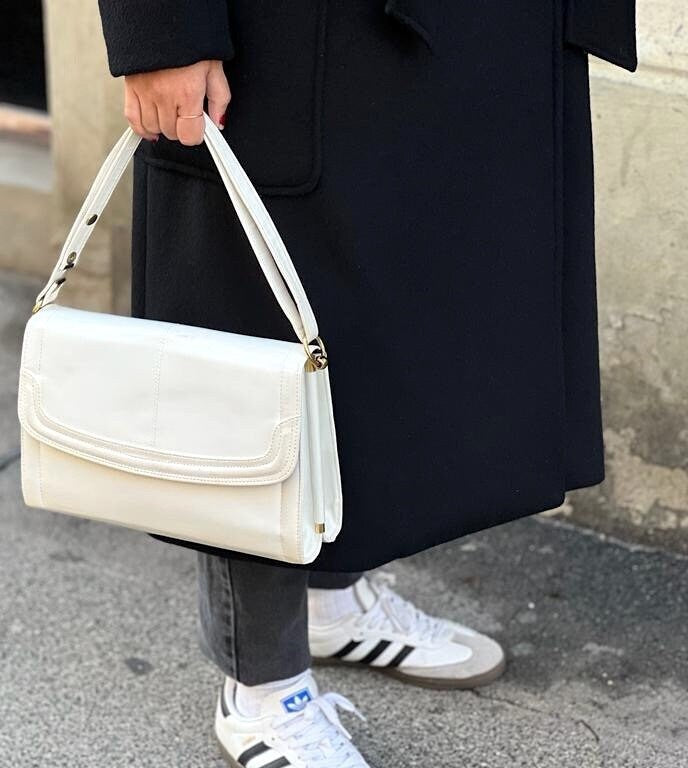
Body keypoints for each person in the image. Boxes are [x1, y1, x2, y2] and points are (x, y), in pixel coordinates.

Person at [95, 1, 638, 765]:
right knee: (255, 347)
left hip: (474, 35)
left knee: (385, 325)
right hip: (279, 41)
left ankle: (331, 598)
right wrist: (163, 35)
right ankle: (263, 691)